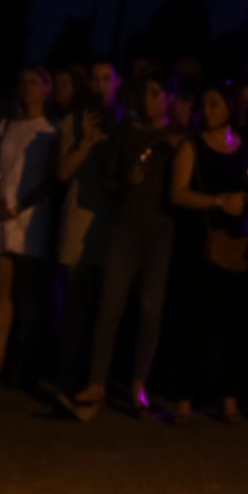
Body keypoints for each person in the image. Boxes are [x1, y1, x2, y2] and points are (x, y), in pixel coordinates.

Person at [62, 73, 182, 418]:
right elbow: (108, 180)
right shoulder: (126, 133)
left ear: (169, 98)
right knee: (110, 303)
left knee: (149, 307)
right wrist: (125, 181)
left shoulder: (175, 138)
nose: (149, 100)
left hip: (160, 229)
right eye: (145, 93)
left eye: (157, 92)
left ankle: (138, 385)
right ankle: (96, 382)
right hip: (125, 227)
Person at [165, 82, 248, 423]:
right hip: (200, 244)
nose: (207, 111)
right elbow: (177, 193)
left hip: (238, 245)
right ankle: (184, 398)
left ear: (230, 108)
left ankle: (230, 398)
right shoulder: (193, 147)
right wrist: (218, 201)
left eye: (215, 104)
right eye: (204, 104)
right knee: (195, 321)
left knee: (235, 323)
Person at [0, 65, 59, 385]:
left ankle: (25, 363)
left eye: (34, 82)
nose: (27, 88)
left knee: (28, 293)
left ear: (46, 88)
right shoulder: (6, 125)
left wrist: (21, 205)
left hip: (30, 218)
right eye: (23, 82)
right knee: (2, 292)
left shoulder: (51, 129)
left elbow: (50, 178)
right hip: (2, 213)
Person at [55, 58, 126, 392]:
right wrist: (85, 143)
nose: (101, 85)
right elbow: (62, 173)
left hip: (113, 226)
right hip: (79, 224)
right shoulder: (73, 122)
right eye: (95, 79)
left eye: (107, 78)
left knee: (108, 305)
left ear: (118, 83)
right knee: (76, 304)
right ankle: (67, 372)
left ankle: (101, 375)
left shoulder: (128, 123)